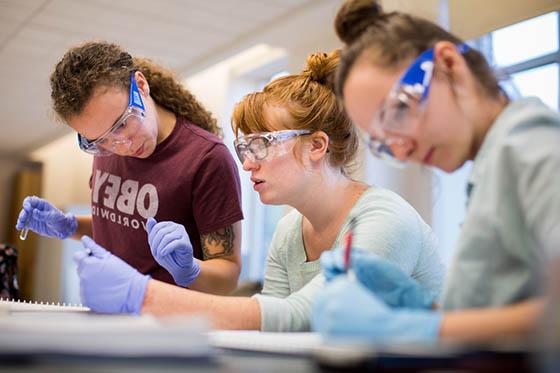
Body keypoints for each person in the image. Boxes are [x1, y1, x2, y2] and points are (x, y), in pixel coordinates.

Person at [71, 50, 445, 331]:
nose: (247, 162)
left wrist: (144, 295)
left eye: (261, 145)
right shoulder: (289, 232)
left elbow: (303, 316)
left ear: (317, 146)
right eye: (245, 148)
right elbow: (272, 329)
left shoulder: (384, 221)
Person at [313, 0, 560, 342]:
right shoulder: (492, 165)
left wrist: (414, 329)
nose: (403, 149)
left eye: (398, 111)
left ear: (448, 64)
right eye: (385, 141)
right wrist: (420, 309)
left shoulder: (528, 142)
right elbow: (500, 317)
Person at [15, 41, 244, 295]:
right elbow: (126, 227)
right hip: (106, 304)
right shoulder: (108, 145)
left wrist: (189, 269)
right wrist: (70, 226)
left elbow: (228, 275)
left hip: (166, 319)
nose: (121, 145)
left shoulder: (206, 158)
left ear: (141, 85)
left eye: (123, 123)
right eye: (100, 140)